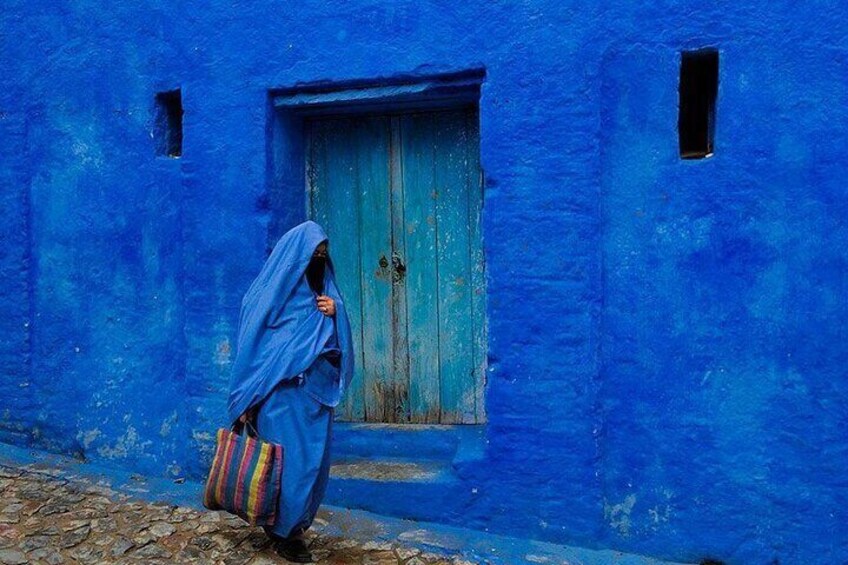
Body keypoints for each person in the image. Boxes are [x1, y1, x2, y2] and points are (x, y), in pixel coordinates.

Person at [227, 220, 354, 563]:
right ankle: (285, 533)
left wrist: (336, 314)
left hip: (314, 398)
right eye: (313, 255)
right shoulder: (264, 299)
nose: (319, 261)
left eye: (324, 255)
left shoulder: (325, 294)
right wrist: (246, 398)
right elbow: (252, 352)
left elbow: (339, 346)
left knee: (309, 468)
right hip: (278, 400)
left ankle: (292, 528)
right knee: (285, 468)